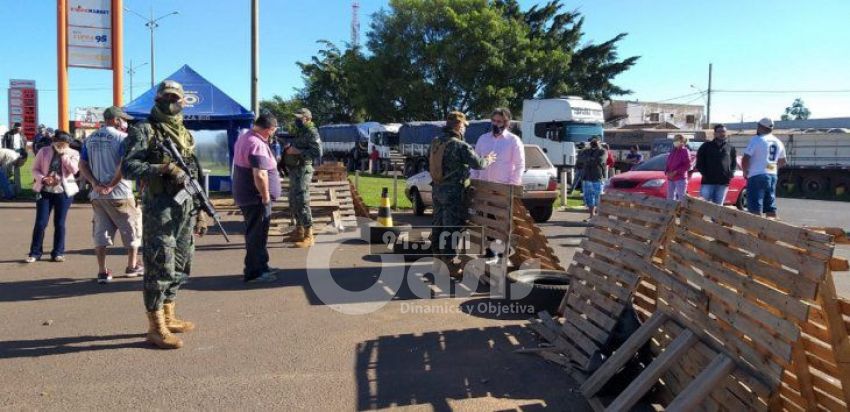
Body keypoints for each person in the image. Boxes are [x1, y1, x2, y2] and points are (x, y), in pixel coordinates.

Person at [123, 80, 208, 350]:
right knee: (161, 264)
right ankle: (155, 326)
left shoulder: (184, 133)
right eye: (167, 97)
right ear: (158, 99)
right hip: (159, 209)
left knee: (182, 263)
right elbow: (128, 168)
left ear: (183, 101)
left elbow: (194, 172)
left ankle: (169, 314)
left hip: (184, 207)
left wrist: (201, 210)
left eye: (176, 98)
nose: (172, 102)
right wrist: (163, 168)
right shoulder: (144, 130)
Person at [78, 106, 143, 284]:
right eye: (124, 120)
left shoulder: (90, 139)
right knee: (131, 229)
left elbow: (82, 164)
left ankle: (102, 271)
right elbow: (124, 165)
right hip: (120, 192)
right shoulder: (122, 138)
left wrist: (94, 183)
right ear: (115, 120)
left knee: (101, 232)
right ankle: (132, 266)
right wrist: (111, 185)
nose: (126, 123)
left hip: (97, 195)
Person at [429, 111, 495, 277]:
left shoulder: (436, 142)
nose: (464, 129)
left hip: (437, 190)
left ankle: (438, 261)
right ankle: (450, 264)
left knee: (438, 225)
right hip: (453, 193)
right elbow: (478, 164)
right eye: (464, 126)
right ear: (459, 125)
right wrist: (488, 159)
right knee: (452, 229)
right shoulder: (459, 145)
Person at [232, 112, 281, 283]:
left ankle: (262, 265)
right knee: (257, 235)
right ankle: (254, 272)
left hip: (250, 196)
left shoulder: (246, 137)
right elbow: (260, 174)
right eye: (273, 130)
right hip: (256, 198)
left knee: (258, 234)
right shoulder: (256, 143)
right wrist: (266, 196)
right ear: (269, 129)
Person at [27, 131, 80, 263]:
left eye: (65, 144)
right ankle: (35, 253)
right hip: (45, 191)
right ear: (53, 141)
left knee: (60, 223)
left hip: (64, 192)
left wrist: (63, 155)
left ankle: (58, 252)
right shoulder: (44, 151)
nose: (61, 146)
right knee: (41, 223)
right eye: (58, 143)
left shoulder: (73, 153)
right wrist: (43, 178)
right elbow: (35, 169)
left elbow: (74, 170)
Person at [283, 108, 322, 248]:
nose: (297, 120)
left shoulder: (312, 132)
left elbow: (317, 152)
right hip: (295, 170)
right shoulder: (302, 132)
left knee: (302, 200)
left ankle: (309, 235)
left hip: (304, 169)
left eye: (300, 117)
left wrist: (297, 151)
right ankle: (299, 231)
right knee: (293, 199)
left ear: (307, 118)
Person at [742, 118, 786, 218]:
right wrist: (771, 168)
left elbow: (745, 159)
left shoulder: (757, 139)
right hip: (772, 175)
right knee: (770, 206)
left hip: (756, 175)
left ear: (761, 127)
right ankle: (772, 231)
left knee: (755, 207)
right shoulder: (778, 141)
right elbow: (783, 161)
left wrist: (745, 172)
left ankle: (755, 231)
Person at [471, 108, 524, 185]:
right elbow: (475, 162)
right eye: (493, 121)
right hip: (482, 186)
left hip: (503, 187)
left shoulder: (513, 140)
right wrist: (474, 181)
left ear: (506, 123)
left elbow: (519, 165)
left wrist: (512, 185)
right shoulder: (483, 138)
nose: (495, 124)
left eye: (499, 122)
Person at [696, 124, 737, 205]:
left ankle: (715, 219)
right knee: (702, 206)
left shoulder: (730, 147)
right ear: (714, 134)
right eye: (719, 131)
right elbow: (699, 162)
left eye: (724, 132)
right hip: (708, 182)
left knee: (718, 209)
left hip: (723, 183)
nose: (722, 133)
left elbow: (733, 163)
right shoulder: (706, 146)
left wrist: (731, 173)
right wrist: (705, 174)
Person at [579, 138, 606, 219]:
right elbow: (580, 159)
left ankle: (599, 216)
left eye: (596, 142)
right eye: (592, 142)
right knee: (589, 197)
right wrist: (591, 159)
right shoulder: (586, 150)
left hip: (597, 177)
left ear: (599, 143)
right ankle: (591, 215)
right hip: (587, 177)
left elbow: (600, 160)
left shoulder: (602, 151)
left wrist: (588, 160)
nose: (594, 144)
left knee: (598, 196)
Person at [2, 122, 28, 198]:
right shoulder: (8, 134)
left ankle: (18, 190)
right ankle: (6, 190)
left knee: (17, 173)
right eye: (17, 128)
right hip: (10, 154)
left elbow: (24, 145)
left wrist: (24, 154)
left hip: (19, 155)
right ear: (14, 128)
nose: (18, 130)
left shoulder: (22, 136)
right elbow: (4, 145)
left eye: (19, 128)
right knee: (8, 172)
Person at [665, 134, 691, 202]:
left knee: (681, 198)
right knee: (670, 198)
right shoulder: (673, 151)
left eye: (677, 140)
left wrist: (676, 172)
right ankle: (670, 211)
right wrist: (667, 172)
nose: (675, 141)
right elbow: (668, 163)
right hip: (670, 178)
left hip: (680, 178)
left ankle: (682, 212)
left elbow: (687, 165)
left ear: (682, 141)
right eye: (674, 140)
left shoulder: (685, 151)